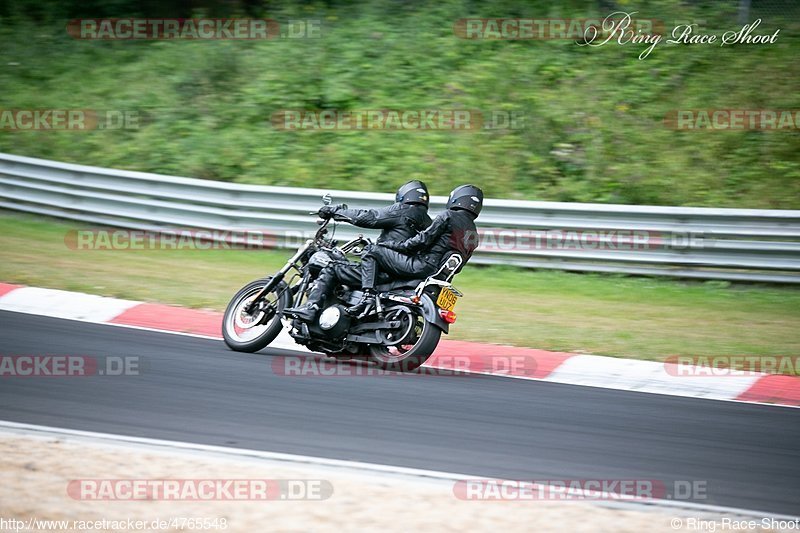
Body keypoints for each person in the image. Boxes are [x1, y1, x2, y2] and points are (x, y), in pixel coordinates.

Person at [284, 180, 431, 321]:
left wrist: (335, 211)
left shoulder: (401, 210)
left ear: (403, 196)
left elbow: (369, 217)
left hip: (382, 271)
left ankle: (311, 308)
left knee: (332, 268)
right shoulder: (428, 223)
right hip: (401, 274)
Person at [347, 184, 483, 316]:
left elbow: (421, 241)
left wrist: (391, 245)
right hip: (441, 276)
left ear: (456, 199)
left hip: (421, 266)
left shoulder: (448, 216)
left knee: (371, 250)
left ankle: (367, 297)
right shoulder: (474, 234)